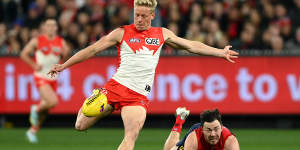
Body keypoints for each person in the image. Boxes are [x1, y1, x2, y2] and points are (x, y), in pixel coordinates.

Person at [48, 0, 239, 149]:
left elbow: (191, 46)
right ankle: (98, 97)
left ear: (152, 16)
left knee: (131, 136)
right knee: (80, 125)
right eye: (136, 15)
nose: (138, 19)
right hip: (113, 88)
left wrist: (220, 52)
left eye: (143, 16)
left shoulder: (161, 34)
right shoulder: (121, 33)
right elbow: (92, 49)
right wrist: (64, 65)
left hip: (137, 97)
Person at [20, 18, 70, 143]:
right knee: (53, 102)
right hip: (41, 76)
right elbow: (24, 54)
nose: (51, 27)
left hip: (53, 78)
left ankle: (32, 131)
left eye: (53, 25)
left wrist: (62, 61)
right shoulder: (37, 40)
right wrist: (33, 65)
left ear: (56, 28)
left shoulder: (60, 41)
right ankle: (35, 109)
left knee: (46, 110)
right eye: (48, 25)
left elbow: (67, 53)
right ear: (44, 28)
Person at [164, 108, 240, 150]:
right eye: (208, 130)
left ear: (221, 128)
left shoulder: (230, 141)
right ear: (202, 129)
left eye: (216, 129)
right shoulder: (193, 138)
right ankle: (179, 122)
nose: (213, 134)